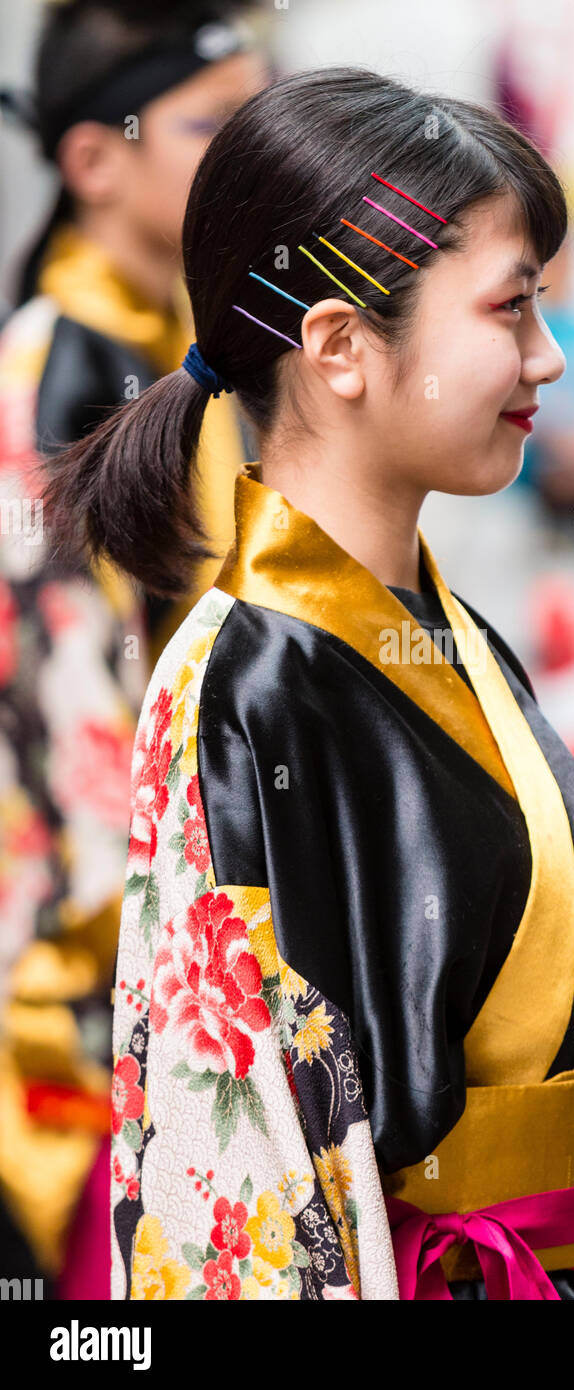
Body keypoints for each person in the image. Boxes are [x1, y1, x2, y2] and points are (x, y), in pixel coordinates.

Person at [45, 66, 574, 1301]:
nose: (546, 358)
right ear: (337, 345)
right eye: (509, 309)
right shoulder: (243, 684)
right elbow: (249, 1190)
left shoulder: (438, 631)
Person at [0, 0, 272, 1295]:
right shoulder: (45, 379)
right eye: (209, 121)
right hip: (81, 986)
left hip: (191, 948)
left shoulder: (197, 358)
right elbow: (81, 751)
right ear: (92, 161)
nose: (243, 151)